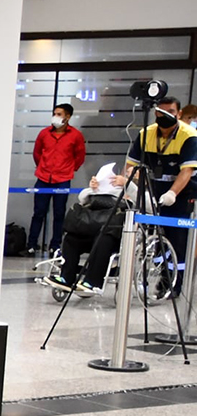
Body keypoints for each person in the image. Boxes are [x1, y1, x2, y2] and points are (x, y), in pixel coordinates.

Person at [125, 95, 197, 293]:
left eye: (170, 112)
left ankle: (173, 283)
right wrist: (136, 180)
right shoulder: (145, 134)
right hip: (153, 191)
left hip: (182, 193)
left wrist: (172, 193)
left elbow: (187, 171)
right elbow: (130, 166)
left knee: (177, 239)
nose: (164, 116)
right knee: (154, 238)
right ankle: (151, 276)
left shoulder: (188, 135)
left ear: (179, 114)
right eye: (160, 112)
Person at [48, 163, 129, 296]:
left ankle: (92, 281)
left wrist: (128, 185)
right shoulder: (102, 189)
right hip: (92, 228)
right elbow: (81, 198)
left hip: (113, 235)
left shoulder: (134, 192)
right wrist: (93, 188)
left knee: (103, 239)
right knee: (71, 238)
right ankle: (66, 277)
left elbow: (149, 205)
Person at [29, 103, 86, 254]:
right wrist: (42, 166)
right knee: (38, 212)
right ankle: (31, 244)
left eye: (59, 114)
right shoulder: (44, 133)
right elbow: (37, 153)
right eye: (54, 113)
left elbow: (79, 156)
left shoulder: (75, 135)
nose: (55, 117)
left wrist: (70, 169)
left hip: (62, 179)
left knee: (59, 213)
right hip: (43, 177)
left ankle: (56, 244)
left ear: (68, 117)